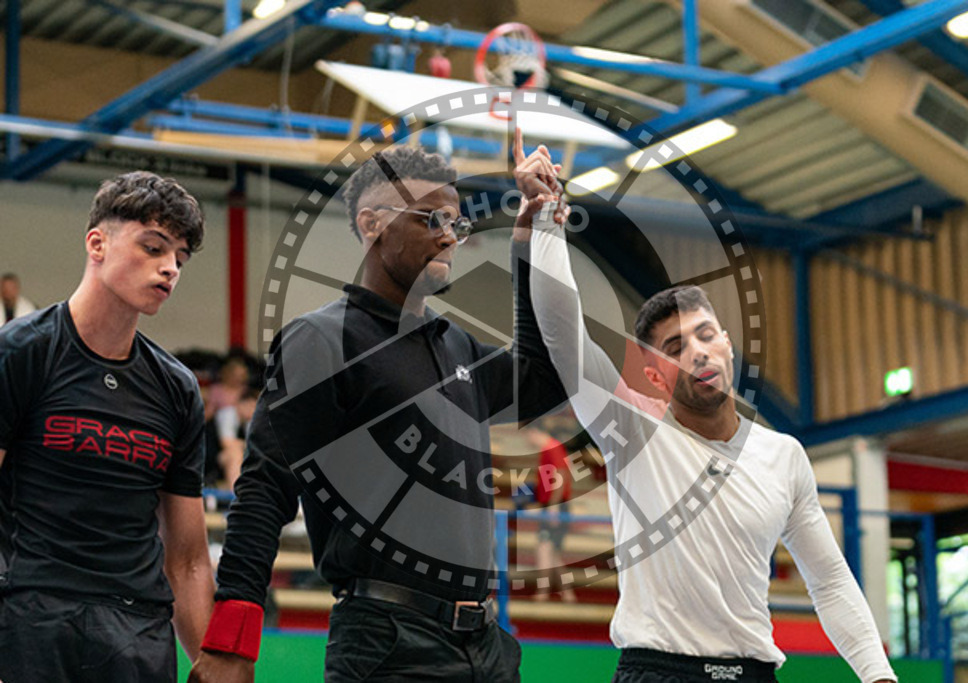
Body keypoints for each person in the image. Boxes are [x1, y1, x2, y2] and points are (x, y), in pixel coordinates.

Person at [189, 140, 567, 683]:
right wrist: (231, 642)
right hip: (387, 645)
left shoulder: (454, 344)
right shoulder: (321, 339)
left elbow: (546, 377)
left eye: (457, 224)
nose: (448, 236)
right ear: (372, 224)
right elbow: (265, 489)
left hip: (486, 648)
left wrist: (532, 238)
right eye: (432, 218)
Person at [521, 157, 897, 682]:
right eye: (676, 347)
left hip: (754, 672)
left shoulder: (784, 455)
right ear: (653, 376)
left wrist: (879, 676)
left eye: (705, 335)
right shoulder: (632, 432)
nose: (697, 353)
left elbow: (830, 580)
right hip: (657, 670)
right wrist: (545, 220)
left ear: (726, 343)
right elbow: (563, 335)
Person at [0, 171, 215, 682]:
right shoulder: (21, 353)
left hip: (137, 633)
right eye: (154, 247)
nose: (169, 269)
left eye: (179, 259)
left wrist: (209, 660)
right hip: (30, 618)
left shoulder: (177, 388)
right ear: (97, 242)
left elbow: (186, 559)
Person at [524, 426, 576, 602]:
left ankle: (543, 592)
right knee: (552, 551)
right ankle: (567, 593)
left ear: (533, 432)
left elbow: (561, 474)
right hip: (553, 504)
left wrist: (553, 506)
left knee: (544, 548)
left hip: (556, 506)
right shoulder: (550, 450)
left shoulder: (551, 448)